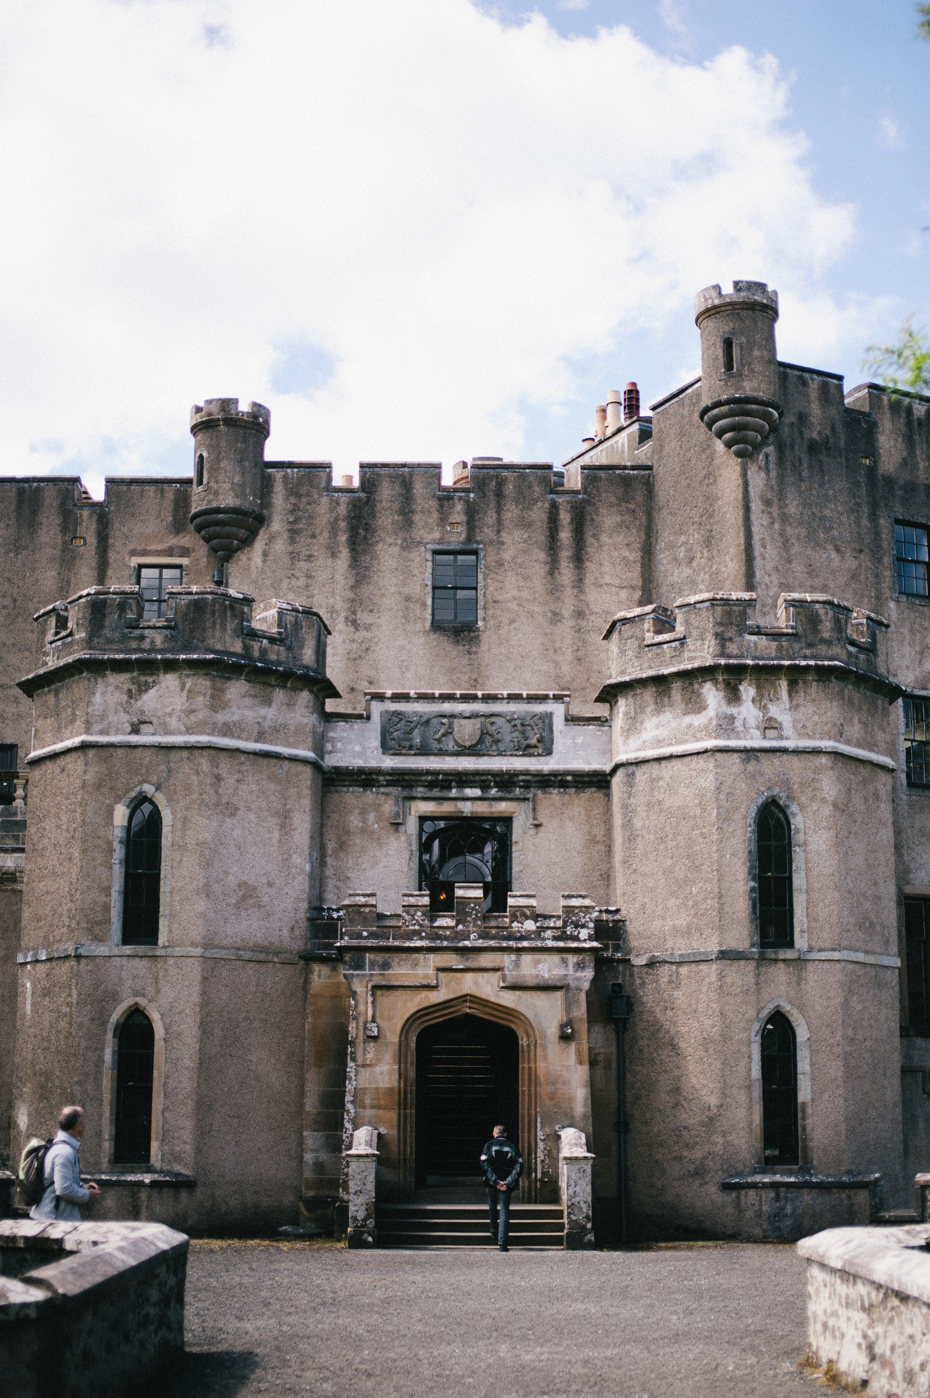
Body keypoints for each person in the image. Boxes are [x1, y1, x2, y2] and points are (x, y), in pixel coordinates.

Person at [29, 1105, 101, 1221]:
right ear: (77, 1126)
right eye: (84, 1121)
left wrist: (82, 1187)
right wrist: (87, 1195)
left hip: (51, 1218)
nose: (86, 1124)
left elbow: (61, 1181)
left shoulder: (61, 1147)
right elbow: (63, 1189)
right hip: (53, 1221)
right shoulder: (64, 1152)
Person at [480, 1124, 522, 1252]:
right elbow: (519, 1166)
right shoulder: (512, 1146)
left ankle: (493, 1230)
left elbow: (484, 1164)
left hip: (492, 1182)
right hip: (506, 1182)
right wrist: (508, 1182)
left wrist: (495, 1181)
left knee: (492, 1204)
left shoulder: (489, 1145)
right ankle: (502, 1243)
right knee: (504, 1210)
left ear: (494, 1134)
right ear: (505, 1134)